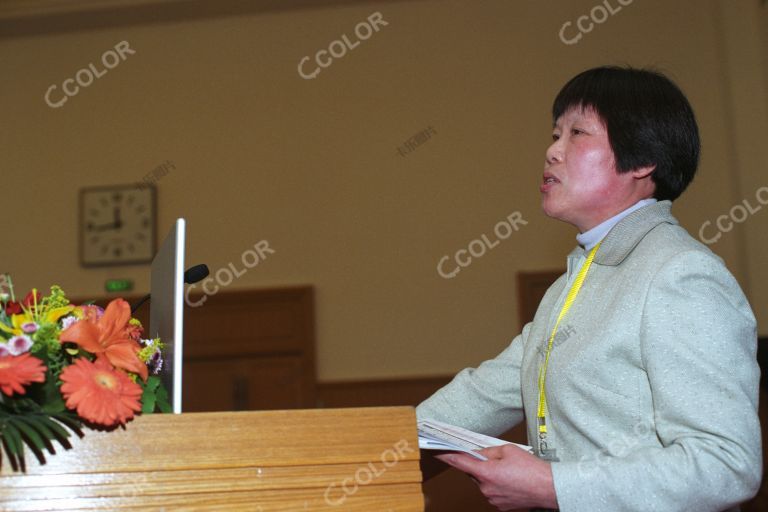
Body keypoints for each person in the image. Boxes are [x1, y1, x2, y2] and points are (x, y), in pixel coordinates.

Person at [416, 66, 762, 511]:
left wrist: (553, 485)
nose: (552, 151)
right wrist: (375, 446)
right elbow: (484, 393)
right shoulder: (571, 287)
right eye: (555, 133)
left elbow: (726, 465)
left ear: (642, 161)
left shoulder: (681, 274)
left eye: (577, 133)